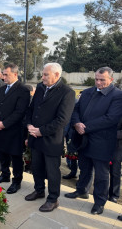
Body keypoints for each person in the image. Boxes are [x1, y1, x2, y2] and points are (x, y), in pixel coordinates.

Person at [65, 67, 122, 215]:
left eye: (102, 80)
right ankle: (82, 191)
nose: (98, 82)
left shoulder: (117, 95)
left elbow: (111, 118)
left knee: (101, 175)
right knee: (84, 168)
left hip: (102, 141)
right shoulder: (88, 92)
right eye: (96, 79)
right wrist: (77, 123)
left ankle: (99, 202)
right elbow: (75, 110)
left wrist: (86, 127)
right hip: (84, 139)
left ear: (111, 80)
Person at [25, 62, 75, 212]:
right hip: (35, 136)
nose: (42, 77)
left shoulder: (67, 92)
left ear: (57, 75)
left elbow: (62, 120)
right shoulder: (40, 87)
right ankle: (39, 190)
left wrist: (41, 131)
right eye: (43, 74)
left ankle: (53, 199)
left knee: (52, 171)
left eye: (46, 74)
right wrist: (29, 126)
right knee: (37, 167)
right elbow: (31, 109)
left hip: (51, 140)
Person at [0, 64, 30, 195]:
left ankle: (17, 181)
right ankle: (5, 174)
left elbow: (20, 112)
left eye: (6, 74)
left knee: (16, 157)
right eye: (3, 74)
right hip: (0, 129)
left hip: (14, 130)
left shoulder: (23, 90)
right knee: (2, 153)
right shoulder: (3, 89)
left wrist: (4, 124)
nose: (3, 76)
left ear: (15, 74)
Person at [109, 117, 122, 203]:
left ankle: (114, 195)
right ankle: (104, 191)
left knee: (115, 170)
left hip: (119, 145)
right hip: (106, 142)